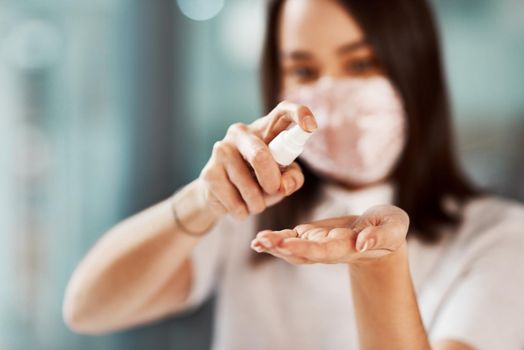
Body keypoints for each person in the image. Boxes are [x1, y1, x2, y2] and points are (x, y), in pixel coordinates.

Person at [63, 0, 524, 349]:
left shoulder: (498, 238)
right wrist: (203, 200)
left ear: (415, 72)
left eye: (360, 64)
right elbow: (88, 307)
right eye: (303, 69)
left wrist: (376, 263)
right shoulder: (247, 216)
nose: (330, 91)